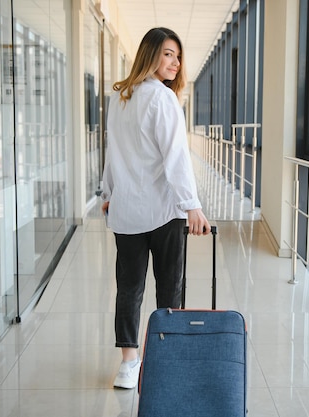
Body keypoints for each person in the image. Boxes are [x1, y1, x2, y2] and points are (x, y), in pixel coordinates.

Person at [100, 27, 210, 389]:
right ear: (150, 54)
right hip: (164, 211)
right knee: (170, 289)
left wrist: (108, 191)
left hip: (128, 211)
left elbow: (112, 153)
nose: (175, 62)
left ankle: (128, 365)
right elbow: (176, 157)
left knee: (129, 288)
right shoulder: (162, 100)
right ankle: (167, 357)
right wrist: (191, 205)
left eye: (177, 56)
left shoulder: (119, 99)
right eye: (167, 54)